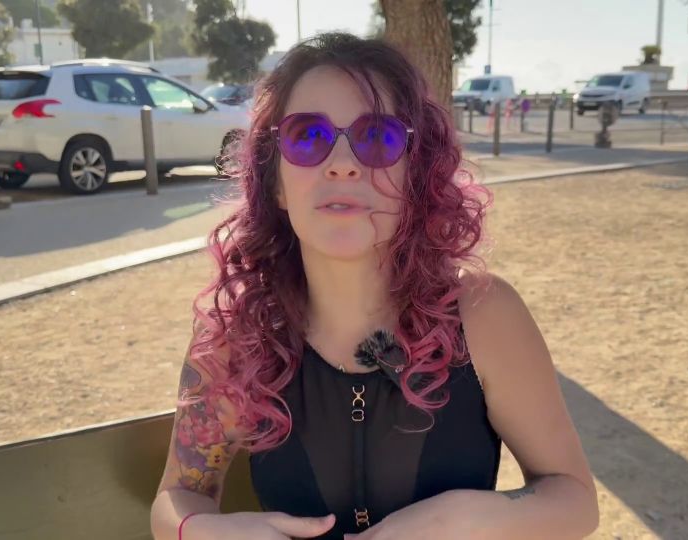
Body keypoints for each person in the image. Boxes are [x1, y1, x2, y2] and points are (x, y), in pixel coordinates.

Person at [151, 32, 599, 540]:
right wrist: (204, 531)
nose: (343, 163)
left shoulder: (483, 314)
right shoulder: (238, 334)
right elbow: (176, 497)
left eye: (379, 138)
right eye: (307, 137)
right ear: (275, 181)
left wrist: (461, 518)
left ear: (415, 177)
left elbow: (575, 500)